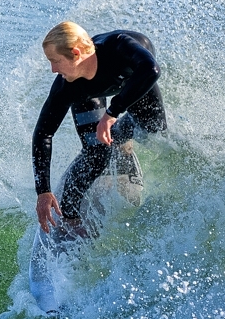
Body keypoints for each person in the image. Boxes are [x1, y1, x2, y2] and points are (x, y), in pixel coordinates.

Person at [32, 21, 167, 235]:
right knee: (96, 153)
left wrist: (112, 113)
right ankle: (71, 217)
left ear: (76, 53)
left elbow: (151, 69)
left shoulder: (119, 47)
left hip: (134, 79)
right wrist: (44, 191)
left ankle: (119, 137)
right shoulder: (66, 86)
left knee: (154, 130)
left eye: (55, 61)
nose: (53, 69)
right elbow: (43, 133)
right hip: (90, 92)